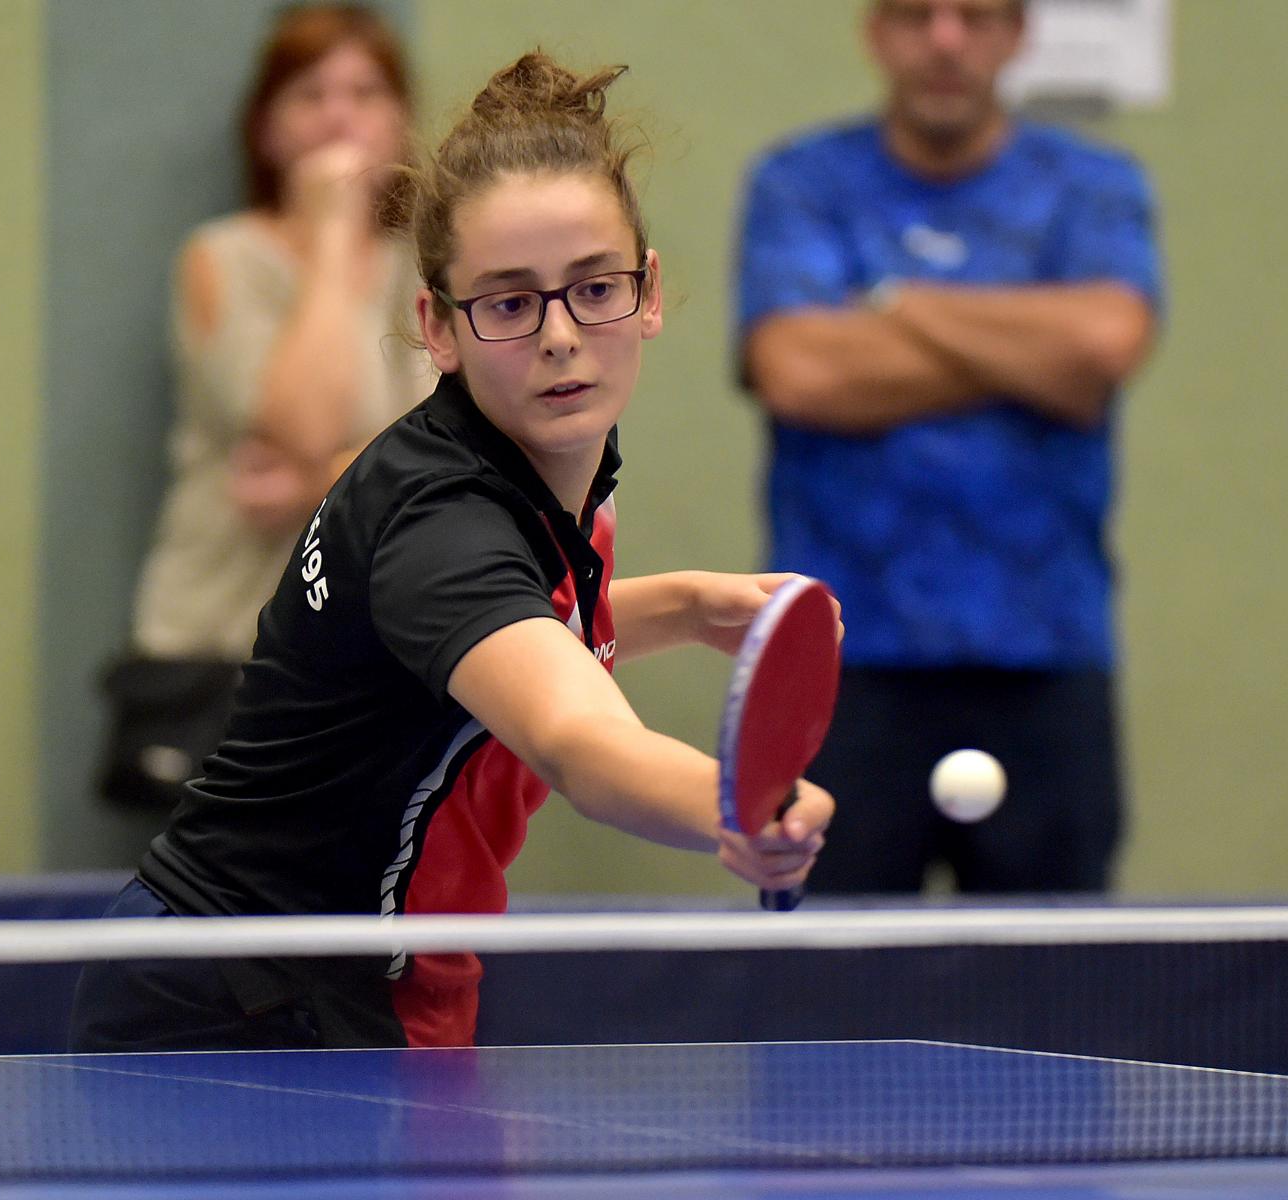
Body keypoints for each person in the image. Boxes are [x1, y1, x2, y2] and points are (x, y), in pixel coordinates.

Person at [72, 52, 838, 1052]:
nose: (560, 335)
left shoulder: (542, 472)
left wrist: (688, 606)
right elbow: (575, 741)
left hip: (336, 974)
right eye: (509, 303)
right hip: (240, 1000)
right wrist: (738, 805)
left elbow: (506, 638)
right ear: (437, 324)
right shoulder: (440, 517)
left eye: (594, 287)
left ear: (646, 292)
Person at [736, 0, 1161, 894]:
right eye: (915, 14)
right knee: (831, 974)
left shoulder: (1093, 189)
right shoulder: (800, 185)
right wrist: (1028, 359)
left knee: (1058, 979)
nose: (944, 40)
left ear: (1017, 35)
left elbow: (1101, 347)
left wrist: (896, 303)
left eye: (975, 15)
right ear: (874, 32)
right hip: (839, 665)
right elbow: (800, 371)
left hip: (1045, 654)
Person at [100, 4, 435, 813]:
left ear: (400, 121)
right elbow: (303, 424)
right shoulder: (223, 258)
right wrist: (333, 236)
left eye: (366, 93)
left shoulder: (425, 273)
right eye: (310, 94)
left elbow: (444, 457)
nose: (339, 116)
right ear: (266, 127)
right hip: (223, 643)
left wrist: (318, 481)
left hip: (378, 642)